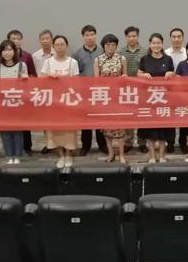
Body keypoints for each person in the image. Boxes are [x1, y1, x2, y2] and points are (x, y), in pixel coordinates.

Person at [41, 35, 80, 168]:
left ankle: (69, 154)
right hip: (53, 101)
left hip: (68, 101)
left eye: (62, 44)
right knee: (54, 130)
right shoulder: (48, 62)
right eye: (57, 45)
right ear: (53, 46)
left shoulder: (72, 62)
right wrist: (49, 76)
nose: (60, 47)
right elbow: (41, 79)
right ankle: (61, 155)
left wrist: (65, 78)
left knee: (69, 130)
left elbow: (77, 82)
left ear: (66, 46)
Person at [138, 33, 175, 163]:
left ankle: (162, 156)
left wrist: (171, 73)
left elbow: (173, 74)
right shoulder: (145, 59)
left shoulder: (168, 59)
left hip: (164, 99)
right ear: (150, 44)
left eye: (158, 43)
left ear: (162, 44)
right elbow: (138, 74)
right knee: (151, 130)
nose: (156, 45)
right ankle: (152, 156)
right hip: (150, 99)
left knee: (163, 130)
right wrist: (144, 75)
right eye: (153, 43)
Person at [0, 40, 28, 164]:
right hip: (2, 103)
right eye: (4, 50)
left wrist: (25, 79)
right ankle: (9, 155)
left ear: (14, 51)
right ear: (0, 52)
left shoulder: (21, 65)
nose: (7, 52)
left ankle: (17, 155)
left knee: (17, 131)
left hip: (17, 102)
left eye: (9, 50)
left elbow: (27, 86)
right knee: (4, 130)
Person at [72, 25, 107, 155]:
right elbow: (75, 73)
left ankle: (102, 144)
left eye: (92, 34)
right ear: (83, 37)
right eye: (87, 35)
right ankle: (85, 146)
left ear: (95, 35)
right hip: (84, 92)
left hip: (100, 92)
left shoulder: (103, 52)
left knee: (100, 119)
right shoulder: (77, 54)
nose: (90, 37)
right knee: (85, 120)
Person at [94, 33, 128, 164]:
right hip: (105, 98)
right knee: (107, 128)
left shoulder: (122, 59)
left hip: (119, 97)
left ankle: (121, 154)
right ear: (103, 46)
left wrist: (123, 79)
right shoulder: (98, 60)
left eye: (113, 44)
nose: (110, 47)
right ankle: (111, 153)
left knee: (120, 128)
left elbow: (125, 77)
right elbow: (96, 80)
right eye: (108, 44)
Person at [7, 30, 37, 156]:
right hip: (7, 95)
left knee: (25, 122)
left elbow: (33, 75)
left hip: (23, 95)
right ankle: (11, 149)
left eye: (18, 38)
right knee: (10, 123)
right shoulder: (2, 56)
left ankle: (27, 147)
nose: (16, 41)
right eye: (13, 39)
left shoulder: (27, 56)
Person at [119, 26, 149, 153]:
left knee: (142, 116)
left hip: (142, 89)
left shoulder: (145, 51)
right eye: (129, 36)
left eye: (134, 36)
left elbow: (147, 69)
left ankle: (142, 142)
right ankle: (128, 141)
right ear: (126, 37)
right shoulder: (121, 52)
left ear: (138, 36)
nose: (132, 38)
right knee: (128, 116)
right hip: (126, 90)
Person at [32, 29, 55, 155]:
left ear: (52, 40)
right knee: (46, 119)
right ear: (40, 41)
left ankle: (59, 142)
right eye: (43, 39)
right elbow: (33, 74)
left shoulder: (57, 52)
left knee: (57, 118)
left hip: (57, 91)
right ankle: (48, 143)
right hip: (42, 91)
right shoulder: (35, 56)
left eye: (47, 38)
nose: (45, 41)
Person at [165, 27, 188, 153]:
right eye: (174, 37)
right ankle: (170, 142)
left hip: (184, 90)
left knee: (183, 115)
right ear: (170, 38)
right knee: (170, 117)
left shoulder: (187, 53)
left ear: (182, 38)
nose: (176, 39)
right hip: (168, 91)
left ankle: (183, 142)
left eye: (179, 36)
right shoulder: (165, 53)